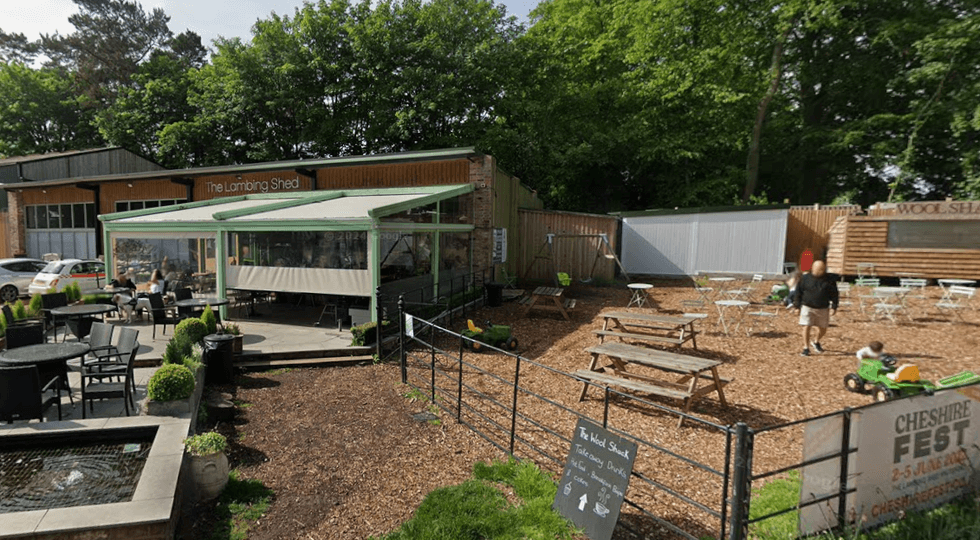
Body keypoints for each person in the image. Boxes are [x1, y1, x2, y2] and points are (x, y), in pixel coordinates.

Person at [792, 260, 839, 356]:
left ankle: (816, 341)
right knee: (806, 326)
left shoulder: (829, 280)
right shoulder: (805, 278)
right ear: (812, 268)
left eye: (820, 270)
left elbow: (835, 294)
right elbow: (798, 293)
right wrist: (797, 306)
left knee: (823, 328)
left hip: (823, 307)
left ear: (824, 270)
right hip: (807, 306)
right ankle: (806, 348)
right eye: (816, 269)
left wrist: (834, 306)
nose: (818, 271)